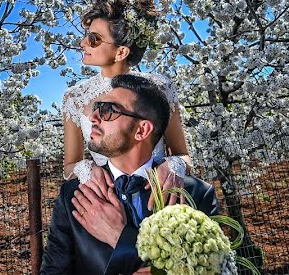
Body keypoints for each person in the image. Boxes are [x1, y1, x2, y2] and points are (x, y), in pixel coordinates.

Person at [41, 74, 219, 275]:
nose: (93, 117)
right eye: (97, 107)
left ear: (142, 130)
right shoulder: (74, 195)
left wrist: (120, 238)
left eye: (109, 110)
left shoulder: (195, 194)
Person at [63, 0, 192, 208]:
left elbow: (183, 156)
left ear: (121, 52)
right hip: (105, 202)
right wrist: (87, 169)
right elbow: (69, 166)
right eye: (87, 36)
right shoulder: (74, 98)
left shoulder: (161, 87)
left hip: (162, 198)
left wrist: (174, 166)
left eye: (94, 39)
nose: (83, 43)